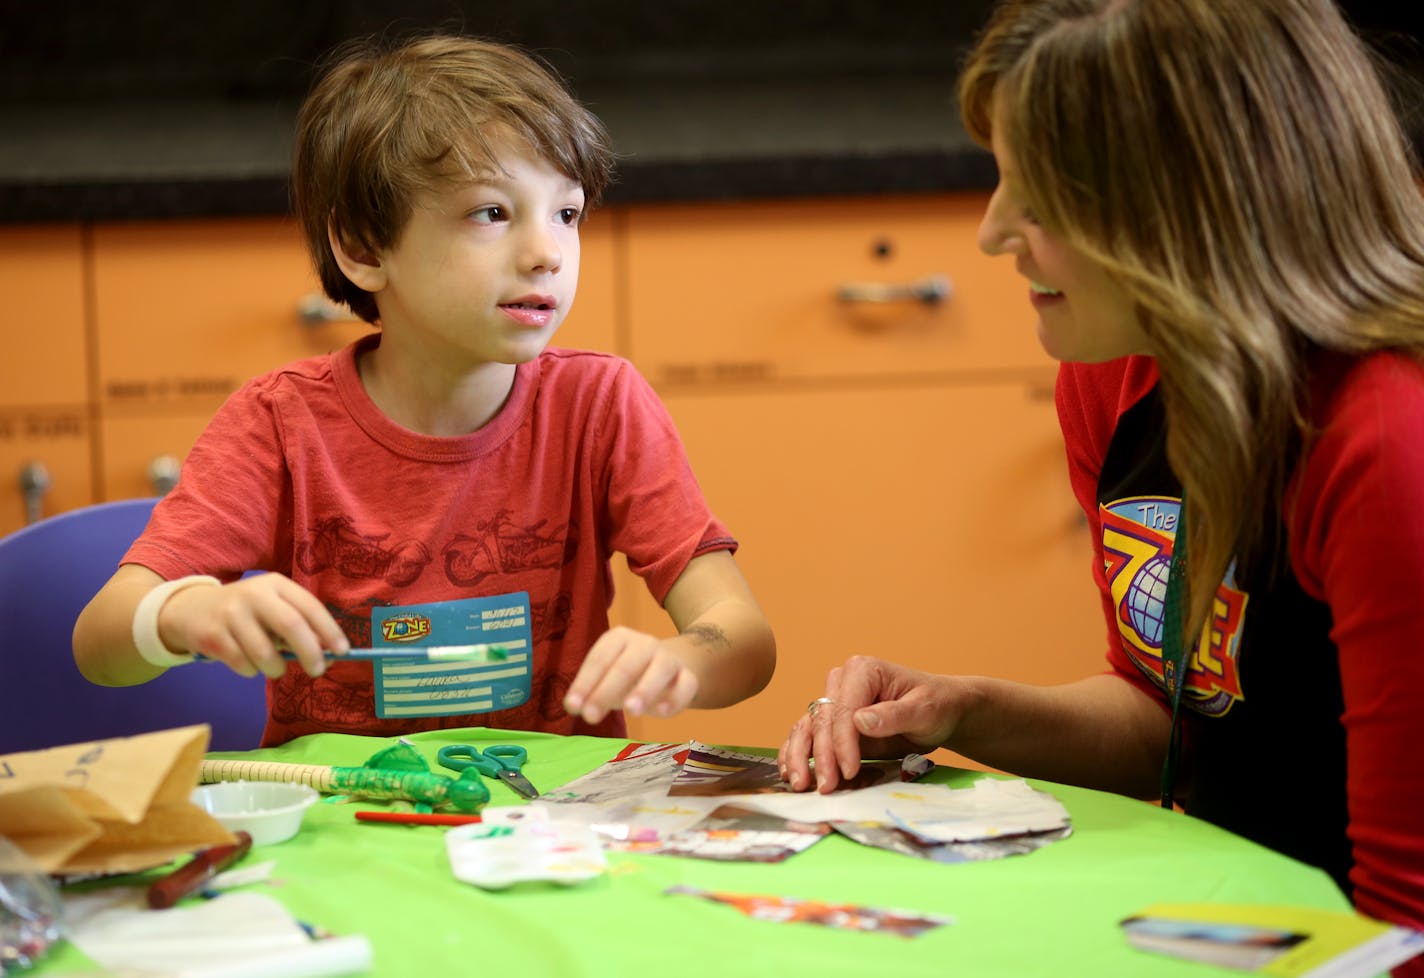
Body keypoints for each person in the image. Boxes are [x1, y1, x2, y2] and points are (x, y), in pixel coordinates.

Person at [779, 0, 1424, 950]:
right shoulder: (1112, 370)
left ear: (1195, 205)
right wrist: (964, 710)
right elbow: (1178, 712)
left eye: (1040, 198)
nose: (993, 233)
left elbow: (1404, 921)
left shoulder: (1384, 441)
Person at [72, 34, 775, 747]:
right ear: (366, 249)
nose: (547, 253)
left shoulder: (600, 404)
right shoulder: (280, 421)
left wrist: (678, 660)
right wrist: (185, 611)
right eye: (492, 214)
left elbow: (744, 640)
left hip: (553, 825)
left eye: (566, 213)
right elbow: (99, 641)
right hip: (346, 826)